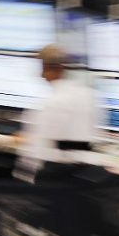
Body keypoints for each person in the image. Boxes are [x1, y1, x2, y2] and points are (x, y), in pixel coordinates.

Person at [15, 44, 102, 183]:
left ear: (58, 69)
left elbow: (35, 152)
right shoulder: (90, 96)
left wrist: (22, 179)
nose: (42, 75)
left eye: (44, 69)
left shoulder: (48, 105)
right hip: (87, 177)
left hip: (55, 177)